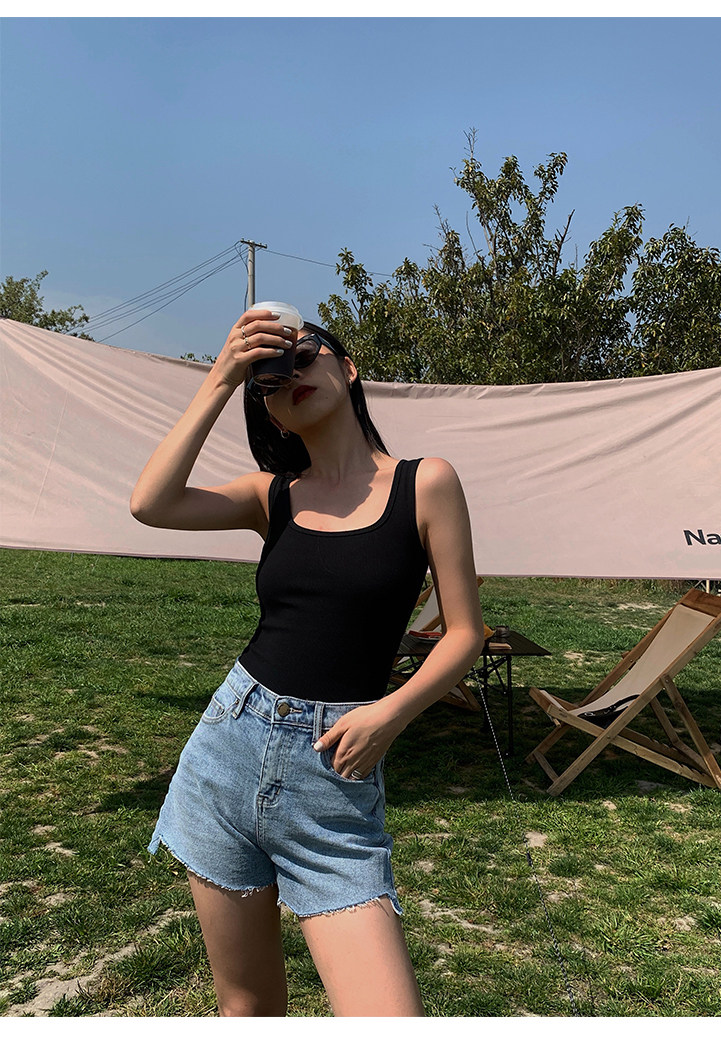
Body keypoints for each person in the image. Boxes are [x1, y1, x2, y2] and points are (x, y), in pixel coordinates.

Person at [130, 307, 485, 1017]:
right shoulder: (272, 496)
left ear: (347, 369)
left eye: (304, 353)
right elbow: (151, 503)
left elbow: (464, 634)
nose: (289, 374)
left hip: (333, 779)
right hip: (227, 753)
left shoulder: (425, 483)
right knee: (247, 1010)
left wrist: (390, 714)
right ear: (270, 412)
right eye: (269, 376)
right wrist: (223, 377)